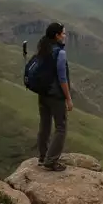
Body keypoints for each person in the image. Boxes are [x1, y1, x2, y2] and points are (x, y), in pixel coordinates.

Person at [36, 22, 72, 171]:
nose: (65, 36)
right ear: (57, 35)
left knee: (44, 125)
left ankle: (43, 157)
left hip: (43, 93)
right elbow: (62, 79)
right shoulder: (60, 53)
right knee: (61, 127)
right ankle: (51, 161)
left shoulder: (43, 48)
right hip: (55, 96)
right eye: (63, 33)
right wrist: (68, 98)